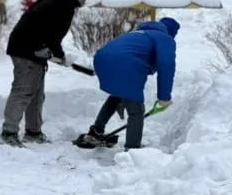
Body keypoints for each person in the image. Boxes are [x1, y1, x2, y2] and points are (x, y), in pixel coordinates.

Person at [0, 0, 90, 146]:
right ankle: (8, 133)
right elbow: (49, 31)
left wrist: (52, 51)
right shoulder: (60, 2)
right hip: (26, 49)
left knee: (37, 94)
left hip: (33, 48)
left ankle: (33, 132)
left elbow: (47, 31)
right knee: (24, 90)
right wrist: (55, 52)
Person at [76, 17, 178, 150]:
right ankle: (132, 149)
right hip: (126, 64)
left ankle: (96, 131)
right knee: (136, 110)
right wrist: (164, 97)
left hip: (102, 60)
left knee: (117, 95)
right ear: (171, 32)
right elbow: (167, 66)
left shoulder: (138, 34)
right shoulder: (164, 38)